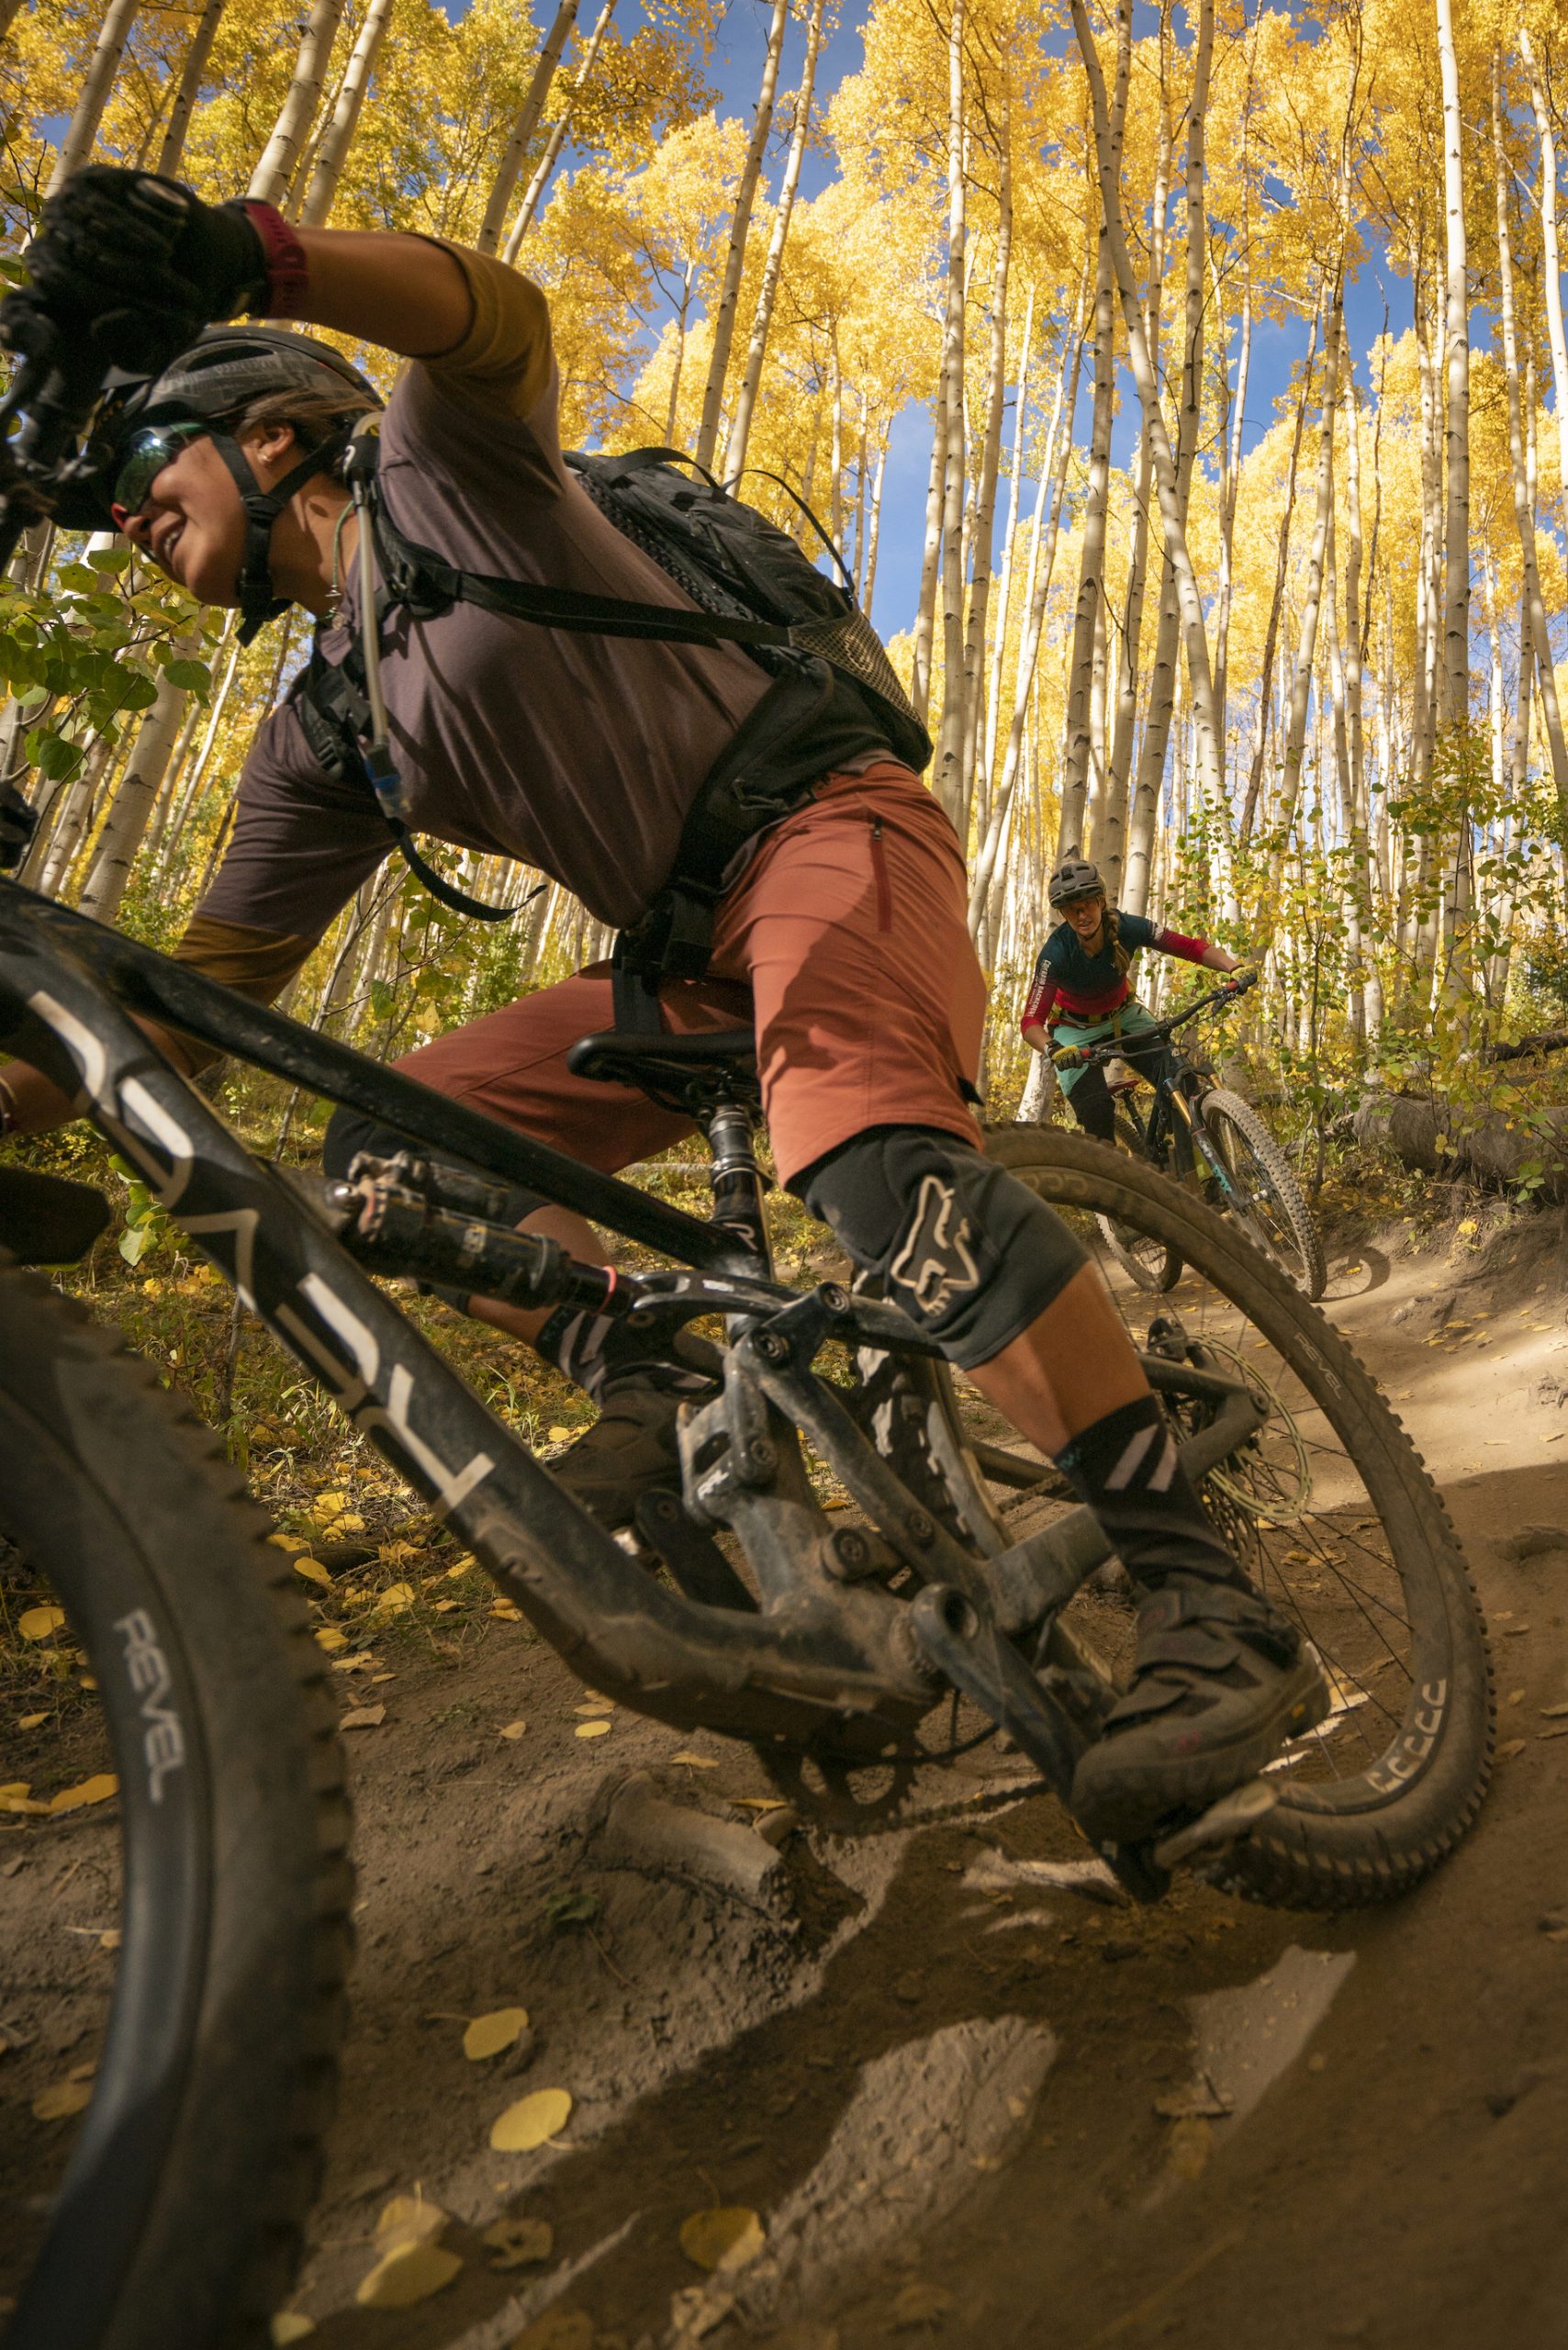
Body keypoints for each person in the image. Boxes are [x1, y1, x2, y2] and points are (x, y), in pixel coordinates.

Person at [0, 169, 1327, 1843]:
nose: (124, 514)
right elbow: (192, 1009)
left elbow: (492, 317)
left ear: (271, 439)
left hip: (825, 828)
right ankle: (672, 1383)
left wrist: (247, 251)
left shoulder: (439, 478)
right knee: (391, 1154)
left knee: (853, 1142)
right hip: (681, 947)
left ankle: (1205, 1600)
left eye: (143, 466)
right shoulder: (322, 727)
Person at [1021, 850, 1248, 1136]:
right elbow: (1030, 1022)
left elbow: (1189, 947)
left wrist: (1234, 968)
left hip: (1124, 1015)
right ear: (1062, 914)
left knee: (1183, 1081)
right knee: (1096, 1112)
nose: (1081, 915)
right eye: (1071, 910)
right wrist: (1053, 1049)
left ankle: (1186, 1170)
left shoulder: (1127, 926)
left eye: (1087, 905)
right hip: (1073, 1029)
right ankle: (1112, 1179)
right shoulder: (1055, 952)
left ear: (1101, 901)